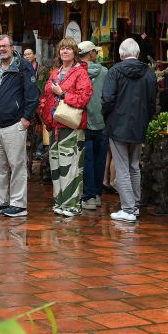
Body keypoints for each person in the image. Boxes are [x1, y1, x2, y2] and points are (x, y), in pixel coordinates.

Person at [101, 38, 158, 223]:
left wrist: (107, 116)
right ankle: (135, 205)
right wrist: (146, 120)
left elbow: (107, 98)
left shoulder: (114, 71)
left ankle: (128, 209)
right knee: (134, 166)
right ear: (138, 53)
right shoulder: (149, 74)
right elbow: (152, 103)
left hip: (117, 124)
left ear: (120, 54)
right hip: (139, 125)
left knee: (122, 167)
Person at [0, 35, 39, 218]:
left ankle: (18, 204)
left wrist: (26, 118)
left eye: (4, 46)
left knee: (17, 165)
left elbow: (32, 94)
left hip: (14, 124)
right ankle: (0, 201)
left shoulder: (23, 66)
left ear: (11, 47)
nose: (1, 49)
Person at [38, 38, 92, 216]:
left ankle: (72, 205)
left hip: (71, 126)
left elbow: (84, 99)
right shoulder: (55, 72)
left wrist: (63, 94)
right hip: (54, 126)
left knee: (71, 166)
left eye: (69, 49)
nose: (65, 52)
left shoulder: (80, 73)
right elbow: (45, 96)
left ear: (75, 52)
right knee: (56, 166)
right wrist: (45, 115)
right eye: (62, 49)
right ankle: (60, 202)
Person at [78, 41, 109, 211]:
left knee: (87, 160)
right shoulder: (104, 72)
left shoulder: (76, 71)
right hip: (101, 120)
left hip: (82, 121)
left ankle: (88, 197)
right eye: (95, 52)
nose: (96, 55)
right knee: (99, 159)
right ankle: (97, 194)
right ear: (91, 54)